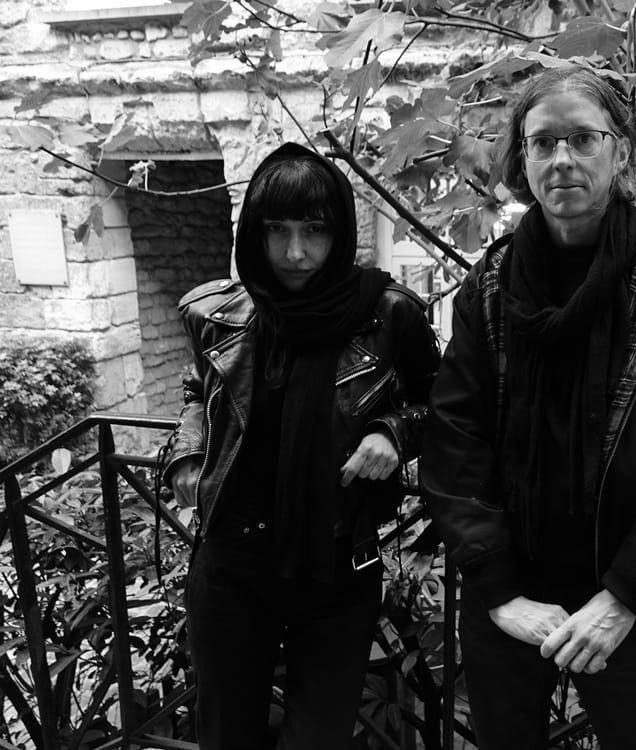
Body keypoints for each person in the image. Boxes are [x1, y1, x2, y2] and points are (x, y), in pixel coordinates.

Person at [420, 66, 636, 749]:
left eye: (582, 138)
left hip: (628, 593)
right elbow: (456, 437)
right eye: (543, 142)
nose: (562, 158)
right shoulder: (492, 283)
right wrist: (499, 591)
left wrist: (627, 592)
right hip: (511, 591)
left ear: (619, 152)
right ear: (523, 159)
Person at [162, 142, 440, 749]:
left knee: (318, 738)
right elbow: (198, 389)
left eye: (314, 230)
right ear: (253, 234)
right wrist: (188, 451)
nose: (295, 253)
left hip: (336, 568)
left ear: (339, 233)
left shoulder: (389, 314)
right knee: (226, 735)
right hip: (232, 564)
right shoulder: (215, 314)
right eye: (277, 230)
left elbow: (440, 403)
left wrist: (393, 432)